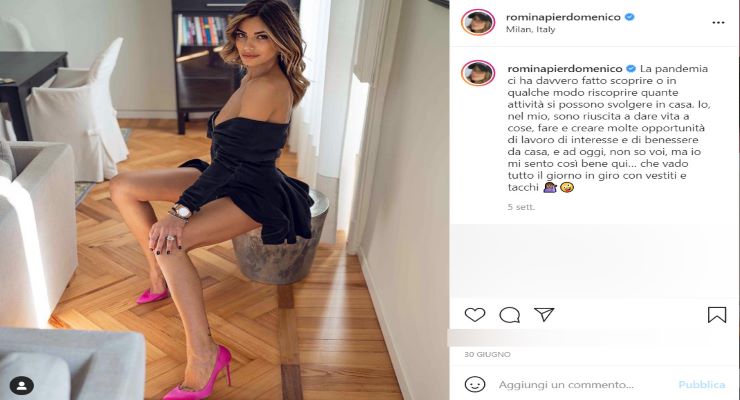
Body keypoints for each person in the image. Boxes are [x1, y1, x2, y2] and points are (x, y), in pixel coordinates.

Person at [109, 1, 312, 398]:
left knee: (170, 243)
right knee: (122, 186)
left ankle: (204, 354)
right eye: (243, 35)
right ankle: (158, 275)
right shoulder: (253, 75)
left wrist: (180, 212)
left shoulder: (268, 86)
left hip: (252, 191)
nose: (249, 45)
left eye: (262, 37)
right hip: (227, 174)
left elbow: (234, 162)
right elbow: (229, 157)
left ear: (282, 41)